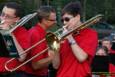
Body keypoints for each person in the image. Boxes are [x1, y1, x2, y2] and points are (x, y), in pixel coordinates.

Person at [56, 1, 98, 77]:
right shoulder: (62, 37)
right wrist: (54, 50)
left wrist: (70, 37)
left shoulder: (91, 34)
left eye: (67, 19)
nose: (64, 23)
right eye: (63, 20)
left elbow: (81, 57)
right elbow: (56, 65)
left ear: (77, 17)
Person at [0, 2, 31, 77]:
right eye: (2, 14)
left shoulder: (22, 32)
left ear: (16, 19)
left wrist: (9, 34)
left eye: (7, 16)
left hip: (13, 73)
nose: (3, 18)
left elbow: (21, 58)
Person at [28, 6, 60, 77]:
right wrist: (55, 56)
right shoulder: (36, 33)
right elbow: (35, 65)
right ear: (44, 20)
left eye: (56, 19)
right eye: (53, 20)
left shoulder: (45, 33)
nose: (55, 22)